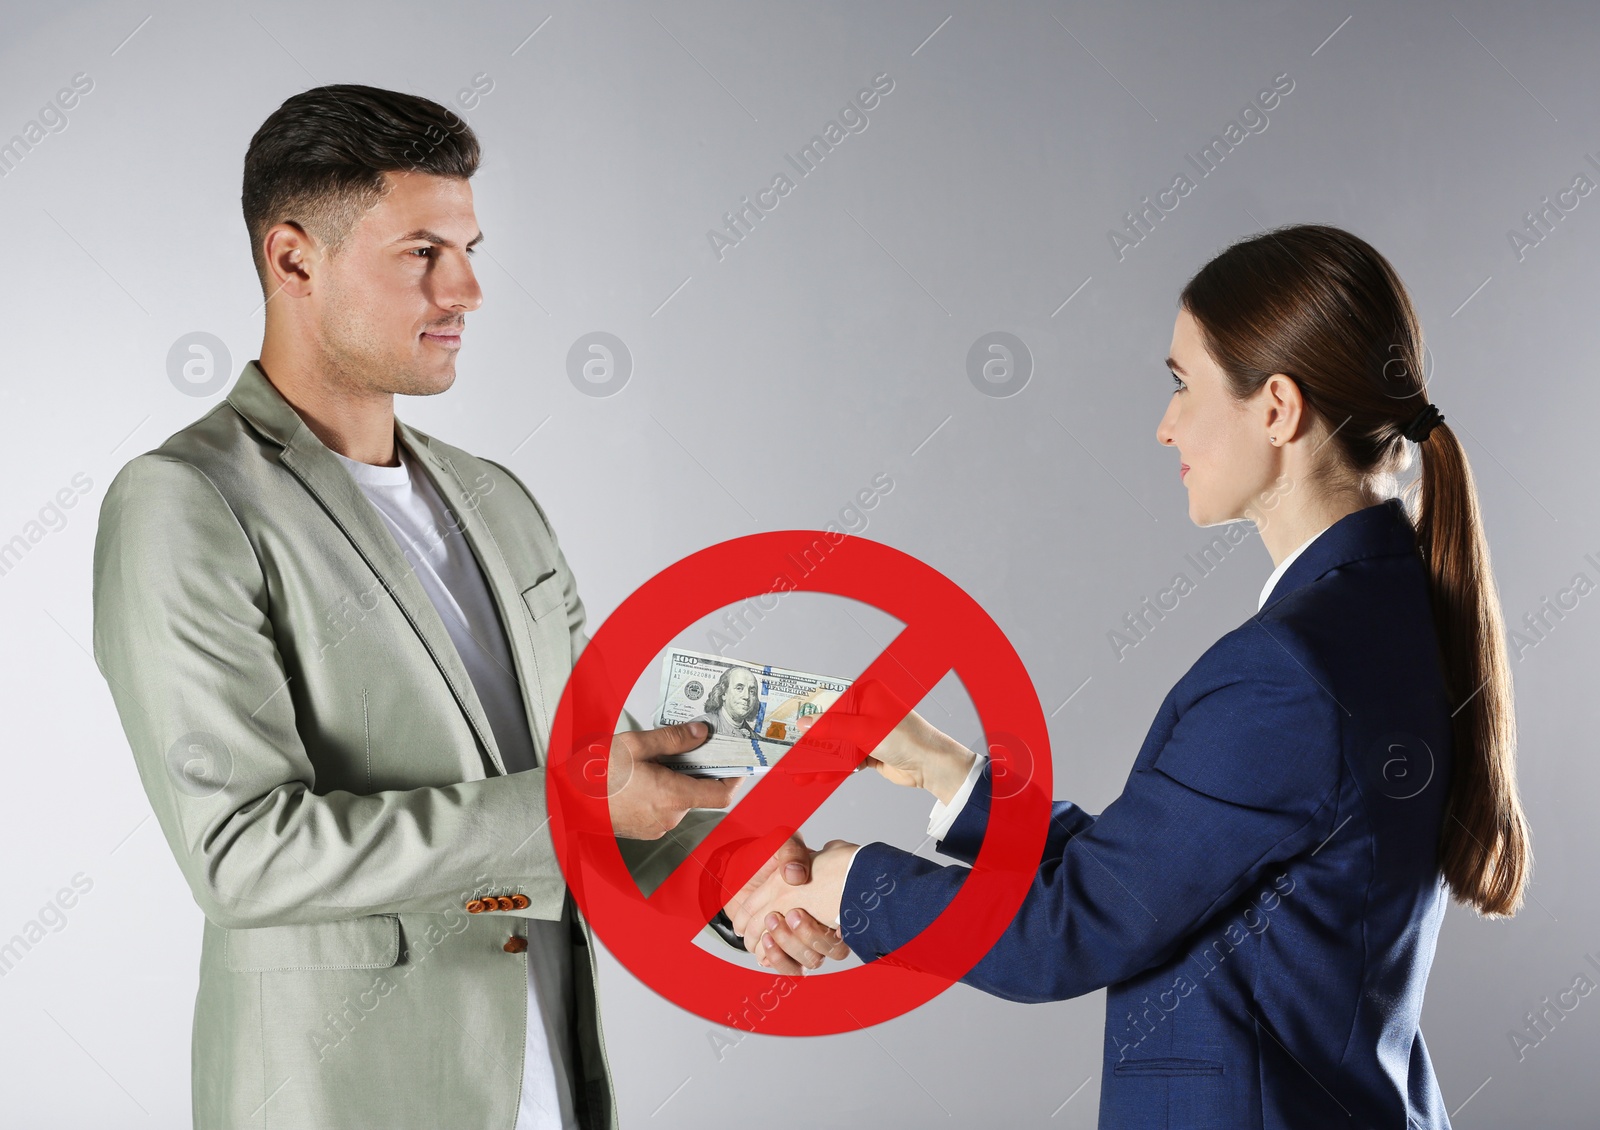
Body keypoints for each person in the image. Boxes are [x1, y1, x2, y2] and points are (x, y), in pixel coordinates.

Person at [91, 84, 843, 1130]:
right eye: (423, 254)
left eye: (470, 248)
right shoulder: (188, 501)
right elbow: (245, 853)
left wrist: (736, 876)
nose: (470, 289)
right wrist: (580, 806)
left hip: (551, 1080)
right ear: (293, 258)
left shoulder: (498, 500)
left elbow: (603, 779)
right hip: (344, 1097)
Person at [734, 224, 1531, 1128]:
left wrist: (845, 883)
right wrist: (952, 776)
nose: (1165, 426)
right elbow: (1158, 881)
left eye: (1182, 384)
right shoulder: (1380, 620)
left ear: (1276, 408)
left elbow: (1065, 936)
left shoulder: (1288, 671)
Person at [687, 665, 762, 739]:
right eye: (739, 688)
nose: (746, 696)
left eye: (752, 691)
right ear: (723, 693)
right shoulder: (699, 726)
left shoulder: (756, 739)